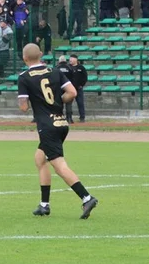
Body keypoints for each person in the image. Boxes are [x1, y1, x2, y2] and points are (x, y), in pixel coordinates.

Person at [17, 44, 98, 219]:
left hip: (46, 126)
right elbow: (72, 93)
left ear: (24, 59)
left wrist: (36, 101)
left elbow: (23, 107)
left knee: (59, 165)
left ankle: (87, 197)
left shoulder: (24, 77)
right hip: (61, 123)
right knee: (40, 159)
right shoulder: (55, 72)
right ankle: (44, 205)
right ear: (40, 54)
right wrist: (56, 102)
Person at [66, 54, 88, 123]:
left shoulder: (81, 67)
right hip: (70, 89)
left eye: (72, 58)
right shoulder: (68, 67)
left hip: (78, 89)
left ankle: (82, 117)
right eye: (70, 58)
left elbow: (85, 77)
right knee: (68, 104)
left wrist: (82, 85)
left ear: (76, 59)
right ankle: (69, 118)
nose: (70, 60)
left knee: (80, 103)